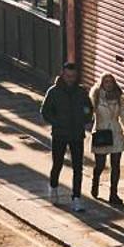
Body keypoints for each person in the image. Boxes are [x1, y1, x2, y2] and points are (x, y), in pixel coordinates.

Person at [41, 63, 93, 206]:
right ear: (63, 74)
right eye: (68, 76)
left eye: (73, 76)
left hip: (77, 134)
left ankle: (76, 198)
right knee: (57, 163)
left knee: (78, 167)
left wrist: (84, 119)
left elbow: (88, 109)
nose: (71, 79)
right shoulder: (54, 92)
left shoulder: (81, 92)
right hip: (60, 134)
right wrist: (57, 122)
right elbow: (45, 112)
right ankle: (53, 187)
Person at [89, 73, 124, 205]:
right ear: (101, 83)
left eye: (111, 82)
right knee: (100, 165)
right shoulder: (95, 97)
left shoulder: (119, 97)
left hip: (116, 133)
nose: (108, 84)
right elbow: (88, 113)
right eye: (106, 82)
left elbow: (123, 117)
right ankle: (95, 182)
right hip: (101, 133)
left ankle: (114, 194)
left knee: (116, 165)